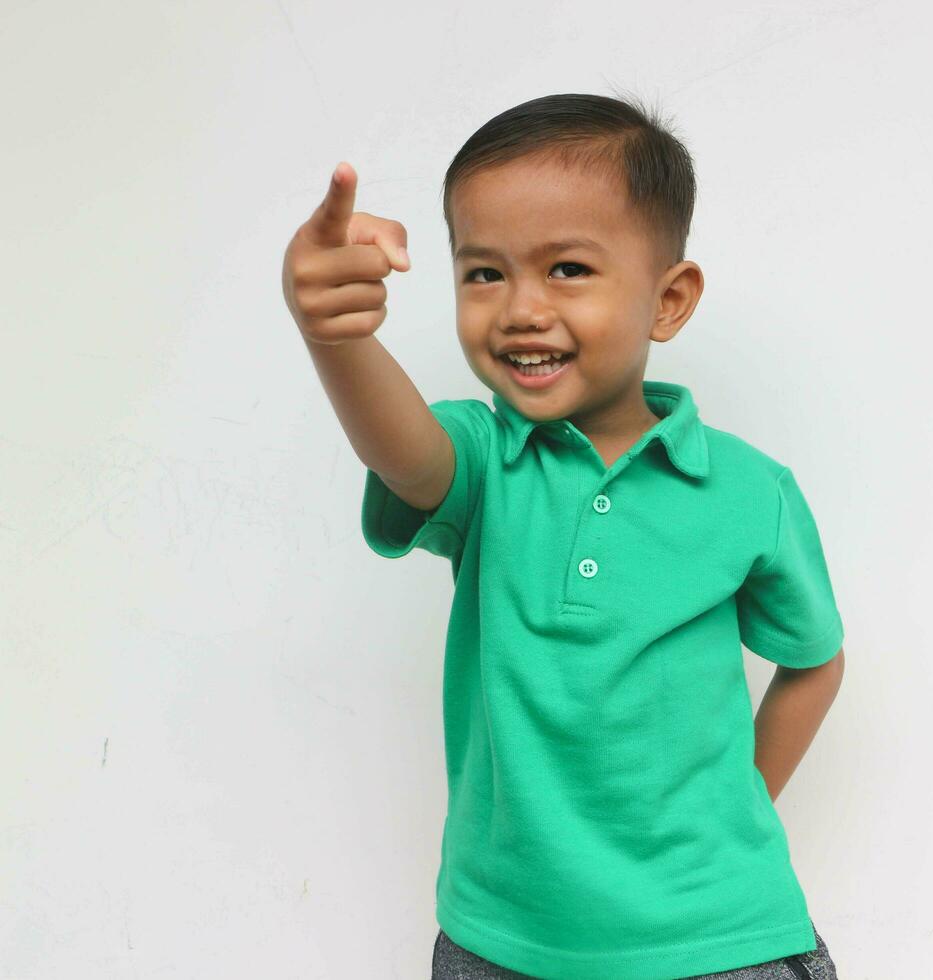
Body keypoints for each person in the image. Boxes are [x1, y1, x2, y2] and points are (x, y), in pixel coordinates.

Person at [281, 92, 845, 980]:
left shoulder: (749, 491)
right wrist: (336, 338)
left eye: (569, 269)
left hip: (723, 943)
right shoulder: (483, 459)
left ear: (670, 299)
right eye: (484, 273)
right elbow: (402, 450)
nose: (521, 309)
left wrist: (746, 804)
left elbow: (814, 660)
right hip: (501, 945)